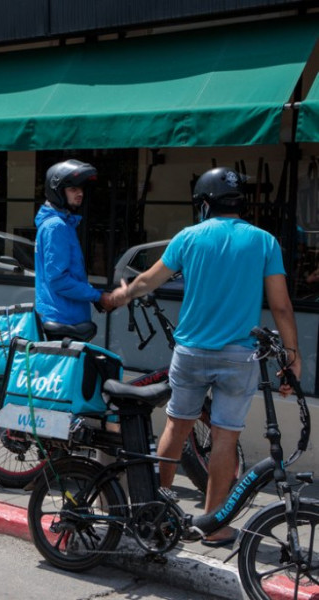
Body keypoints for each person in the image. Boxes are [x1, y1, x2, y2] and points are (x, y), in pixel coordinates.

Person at [108, 166, 300, 546]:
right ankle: (214, 527)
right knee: (225, 438)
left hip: (191, 352)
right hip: (239, 356)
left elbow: (148, 280)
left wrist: (121, 295)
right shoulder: (264, 242)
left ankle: (156, 513)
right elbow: (281, 306)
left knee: (176, 428)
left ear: (205, 204)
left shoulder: (189, 237)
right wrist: (292, 356)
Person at [34, 159, 117, 326]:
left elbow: (71, 275)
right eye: (73, 189)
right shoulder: (56, 227)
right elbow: (58, 280)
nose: (80, 193)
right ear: (57, 191)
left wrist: (94, 295)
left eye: (81, 189)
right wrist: (97, 296)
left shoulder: (63, 224)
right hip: (63, 317)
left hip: (65, 314)